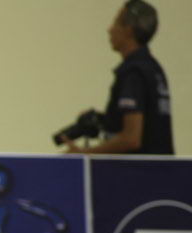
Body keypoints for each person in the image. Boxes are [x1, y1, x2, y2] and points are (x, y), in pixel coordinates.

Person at [63, 0, 173, 154]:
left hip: (139, 174)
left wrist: (84, 153)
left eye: (115, 23)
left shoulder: (133, 72)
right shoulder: (154, 68)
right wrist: (105, 120)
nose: (109, 30)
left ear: (128, 30)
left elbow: (131, 138)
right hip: (159, 172)